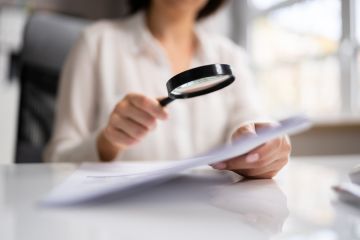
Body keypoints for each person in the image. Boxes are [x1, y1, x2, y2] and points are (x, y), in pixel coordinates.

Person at [44, 0, 291, 179]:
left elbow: (252, 124)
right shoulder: (96, 43)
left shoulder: (231, 57)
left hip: (211, 220)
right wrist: (108, 141)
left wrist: (264, 151)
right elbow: (55, 161)